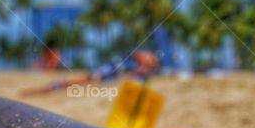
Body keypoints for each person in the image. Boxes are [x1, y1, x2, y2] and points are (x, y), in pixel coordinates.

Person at [19, 49, 160, 97]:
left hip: (109, 74)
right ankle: (46, 89)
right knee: (78, 82)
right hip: (108, 72)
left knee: (78, 82)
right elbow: (138, 58)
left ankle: (46, 88)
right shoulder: (141, 63)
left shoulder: (140, 68)